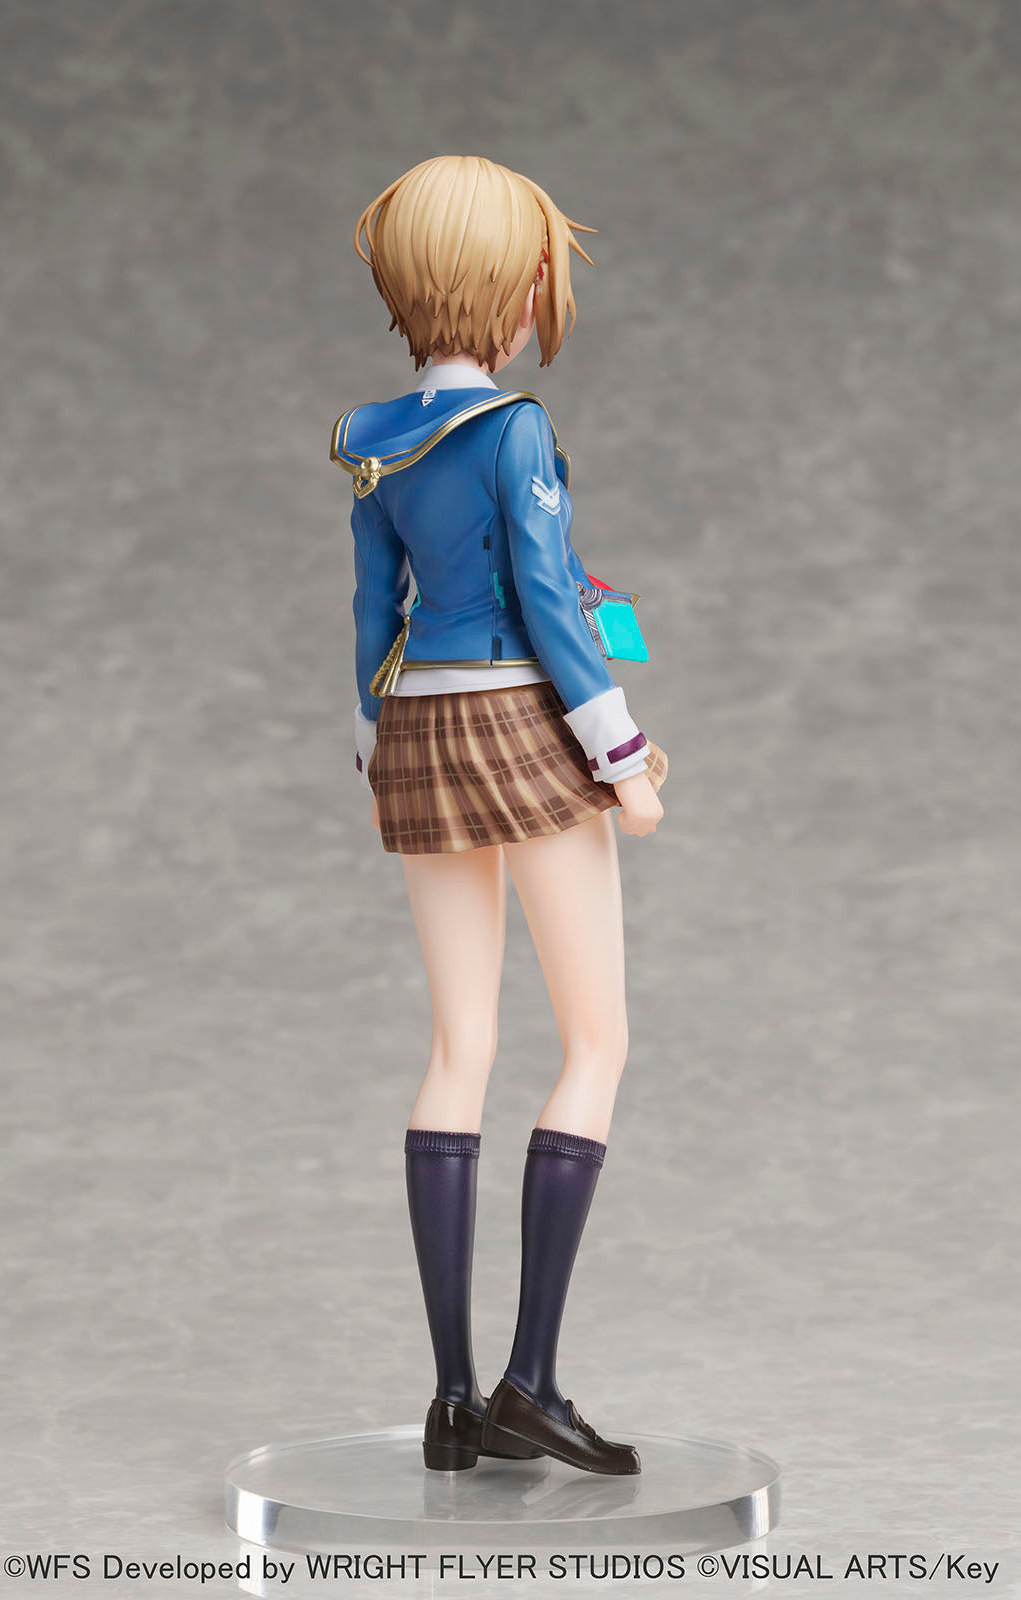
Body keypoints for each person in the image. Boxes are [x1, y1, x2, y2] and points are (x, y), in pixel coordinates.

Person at [331, 155, 667, 1476]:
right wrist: (624, 757)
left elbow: (377, 611)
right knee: (596, 1040)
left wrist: (376, 740)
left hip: (416, 726)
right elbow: (549, 608)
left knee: (457, 1042)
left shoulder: (374, 440)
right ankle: (531, 1380)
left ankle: (452, 1404)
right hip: (522, 724)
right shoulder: (515, 430)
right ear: (507, 287)